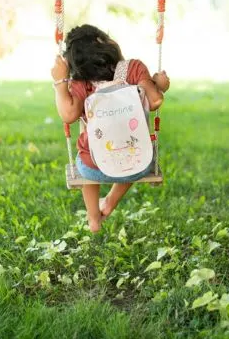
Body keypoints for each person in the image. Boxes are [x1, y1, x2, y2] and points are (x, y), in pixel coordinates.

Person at [51, 24, 170, 232]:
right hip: (138, 166)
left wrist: (60, 82)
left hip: (93, 169)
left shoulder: (81, 82)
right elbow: (156, 100)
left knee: (86, 151)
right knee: (132, 150)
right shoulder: (133, 68)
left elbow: (68, 115)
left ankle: (93, 218)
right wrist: (159, 85)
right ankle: (110, 202)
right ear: (102, 42)